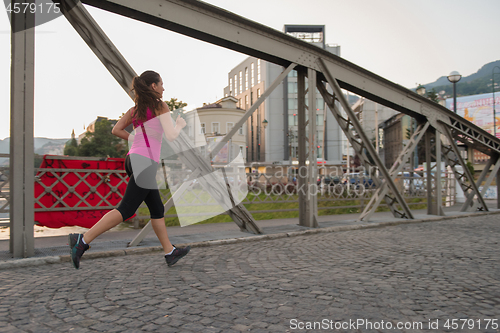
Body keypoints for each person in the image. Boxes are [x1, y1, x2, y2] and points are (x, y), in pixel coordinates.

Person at [69, 70, 190, 269]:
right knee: (126, 209)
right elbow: (170, 135)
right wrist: (179, 124)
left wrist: (134, 138)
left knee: (157, 209)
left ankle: (170, 252)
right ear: (153, 86)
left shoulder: (135, 110)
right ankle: (82, 240)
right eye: (161, 84)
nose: (163, 88)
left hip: (132, 159)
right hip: (146, 161)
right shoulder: (160, 106)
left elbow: (116, 129)